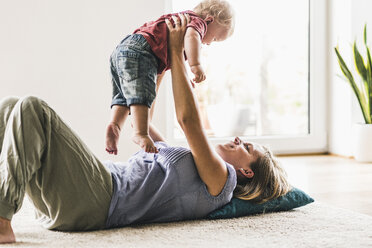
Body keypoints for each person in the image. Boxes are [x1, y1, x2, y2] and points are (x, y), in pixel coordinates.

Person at [0, 14, 290, 244]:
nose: (240, 140)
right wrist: (160, 60)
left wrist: (178, 53)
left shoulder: (221, 184)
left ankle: (2, 220)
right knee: (11, 106)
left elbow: (187, 121)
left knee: (31, 108)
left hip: (99, 201)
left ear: (247, 172)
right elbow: (146, 124)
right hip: (79, 197)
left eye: (247, 148)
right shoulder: (191, 165)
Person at [105, 0, 235, 155]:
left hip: (123, 48)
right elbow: (192, 37)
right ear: (210, 20)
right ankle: (140, 133)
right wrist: (196, 65)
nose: (209, 44)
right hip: (142, 51)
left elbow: (176, 55)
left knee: (124, 96)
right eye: (214, 38)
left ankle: (115, 125)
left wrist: (186, 77)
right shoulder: (198, 23)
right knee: (143, 93)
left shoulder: (180, 21)